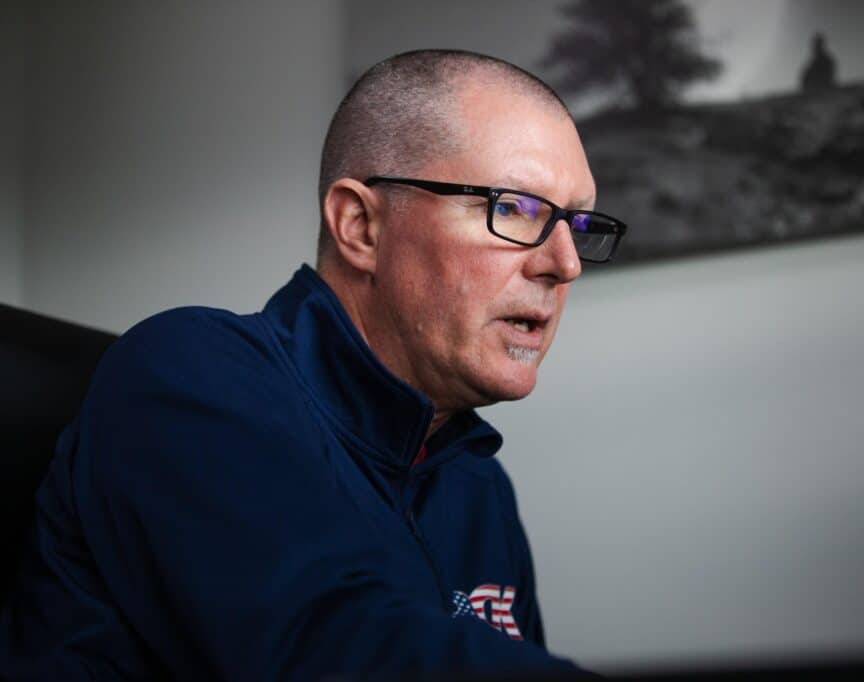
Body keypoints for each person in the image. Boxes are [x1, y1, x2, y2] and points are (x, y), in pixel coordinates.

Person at [0, 50, 626, 680]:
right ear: (360, 227)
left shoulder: (477, 486)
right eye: (515, 208)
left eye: (577, 223)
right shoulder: (189, 374)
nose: (565, 264)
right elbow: (335, 649)